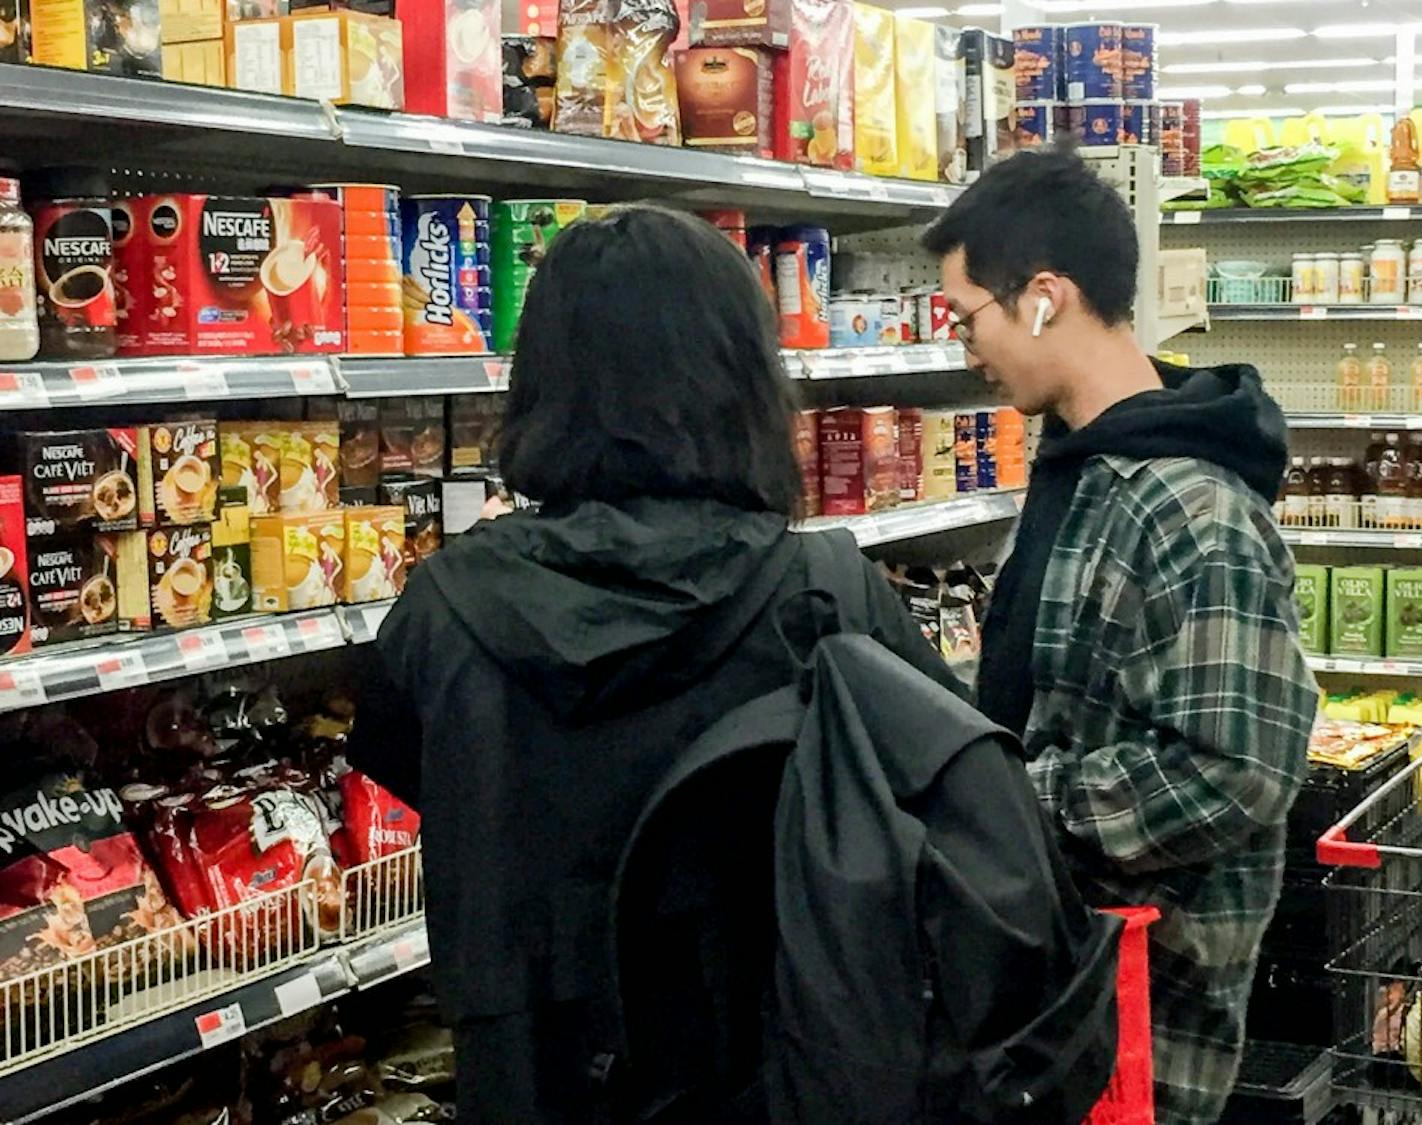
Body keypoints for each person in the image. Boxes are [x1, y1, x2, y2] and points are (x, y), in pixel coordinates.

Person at [346, 206, 964, 1123]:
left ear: (542, 382)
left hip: (537, 1081)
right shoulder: (827, 598)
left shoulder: (446, 608)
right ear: (745, 378)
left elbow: (408, 759)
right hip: (779, 1072)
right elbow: (954, 810)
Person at [922, 149, 1320, 1125]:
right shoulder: (1088, 475)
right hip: (1062, 991)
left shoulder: (1189, 511)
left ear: (1045, 298)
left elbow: (1233, 771)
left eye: (967, 314)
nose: (963, 347)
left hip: (1143, 1016)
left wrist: (1006, 811)